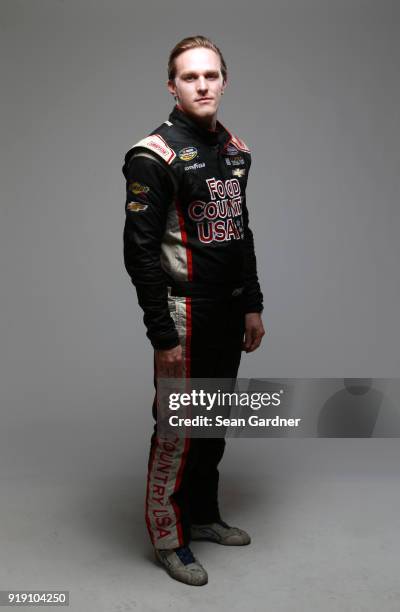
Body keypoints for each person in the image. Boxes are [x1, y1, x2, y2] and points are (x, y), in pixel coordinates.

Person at [122, 35, 265, 586]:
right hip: (182, 311)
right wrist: (162, 329)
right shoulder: (151, 156)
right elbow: (138, 252)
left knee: (212, 423)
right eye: (190, 77)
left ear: (224, 81)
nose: (202, 85)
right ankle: (167, 535)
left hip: (228, 311)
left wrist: (252, 305)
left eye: (211, 75)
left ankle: (203, 516)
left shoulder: (235, 150)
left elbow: (241, 233)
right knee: (177, 426)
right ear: (172, 86)